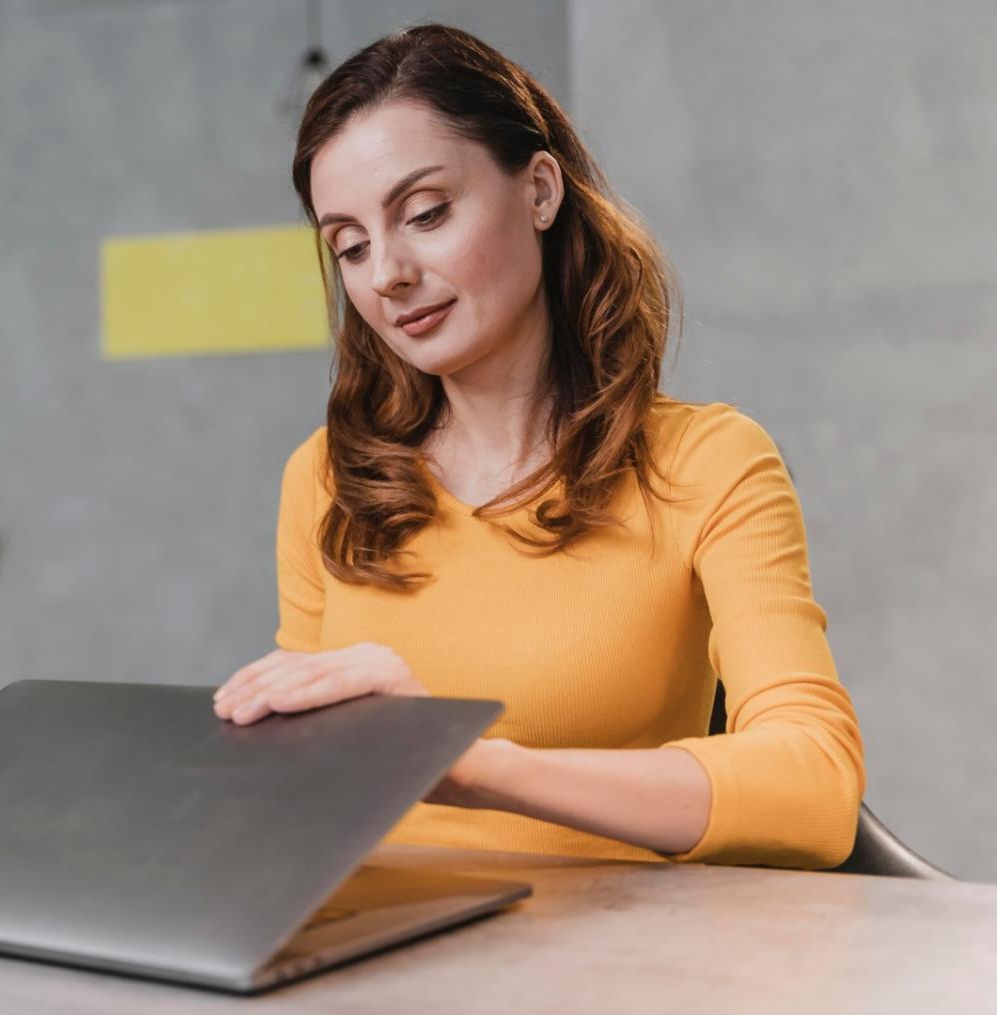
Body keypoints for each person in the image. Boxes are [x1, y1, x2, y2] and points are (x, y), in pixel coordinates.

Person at [212, 23, 864, 869]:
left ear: (541, 191)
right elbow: (303, 789)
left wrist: (471, 763)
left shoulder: (708, 464)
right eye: (352, 245)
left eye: (426, 213)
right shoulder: (329, 477)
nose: (387, 274)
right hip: (368, 957)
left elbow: (815, 786)